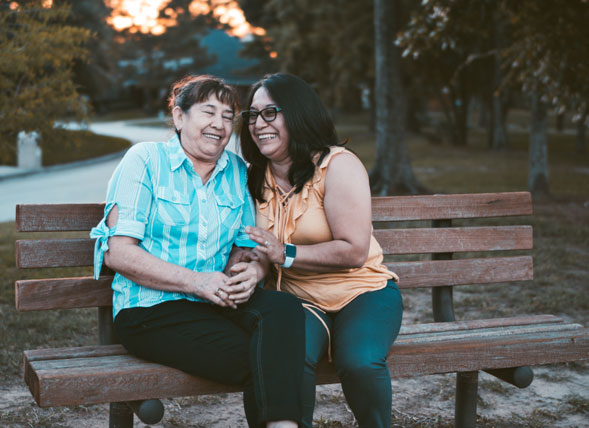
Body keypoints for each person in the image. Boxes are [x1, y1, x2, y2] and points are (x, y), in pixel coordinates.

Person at [90, 75, 304, 428]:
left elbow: (244, 245)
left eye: (227, 115)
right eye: (208, 112)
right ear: (179, 117)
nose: (219, 125)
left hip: (214, 304)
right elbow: (118, 253)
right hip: (149, 312)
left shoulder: (237, 171)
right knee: (269, 358)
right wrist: (195, 282)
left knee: (284, 308)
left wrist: (248, 270)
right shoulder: (145, 160)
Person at [240, 73, 404, 428]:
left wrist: (286, 254)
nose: (258, 124)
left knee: (359, 361)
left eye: (271, 112)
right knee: (282, 359)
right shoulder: (253, 176)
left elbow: (354, 250)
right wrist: (253, 267)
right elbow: (256, 247)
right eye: (252, 115)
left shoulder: (337, 165)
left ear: (298, 114)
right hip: (298, 300)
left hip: (362, 293)